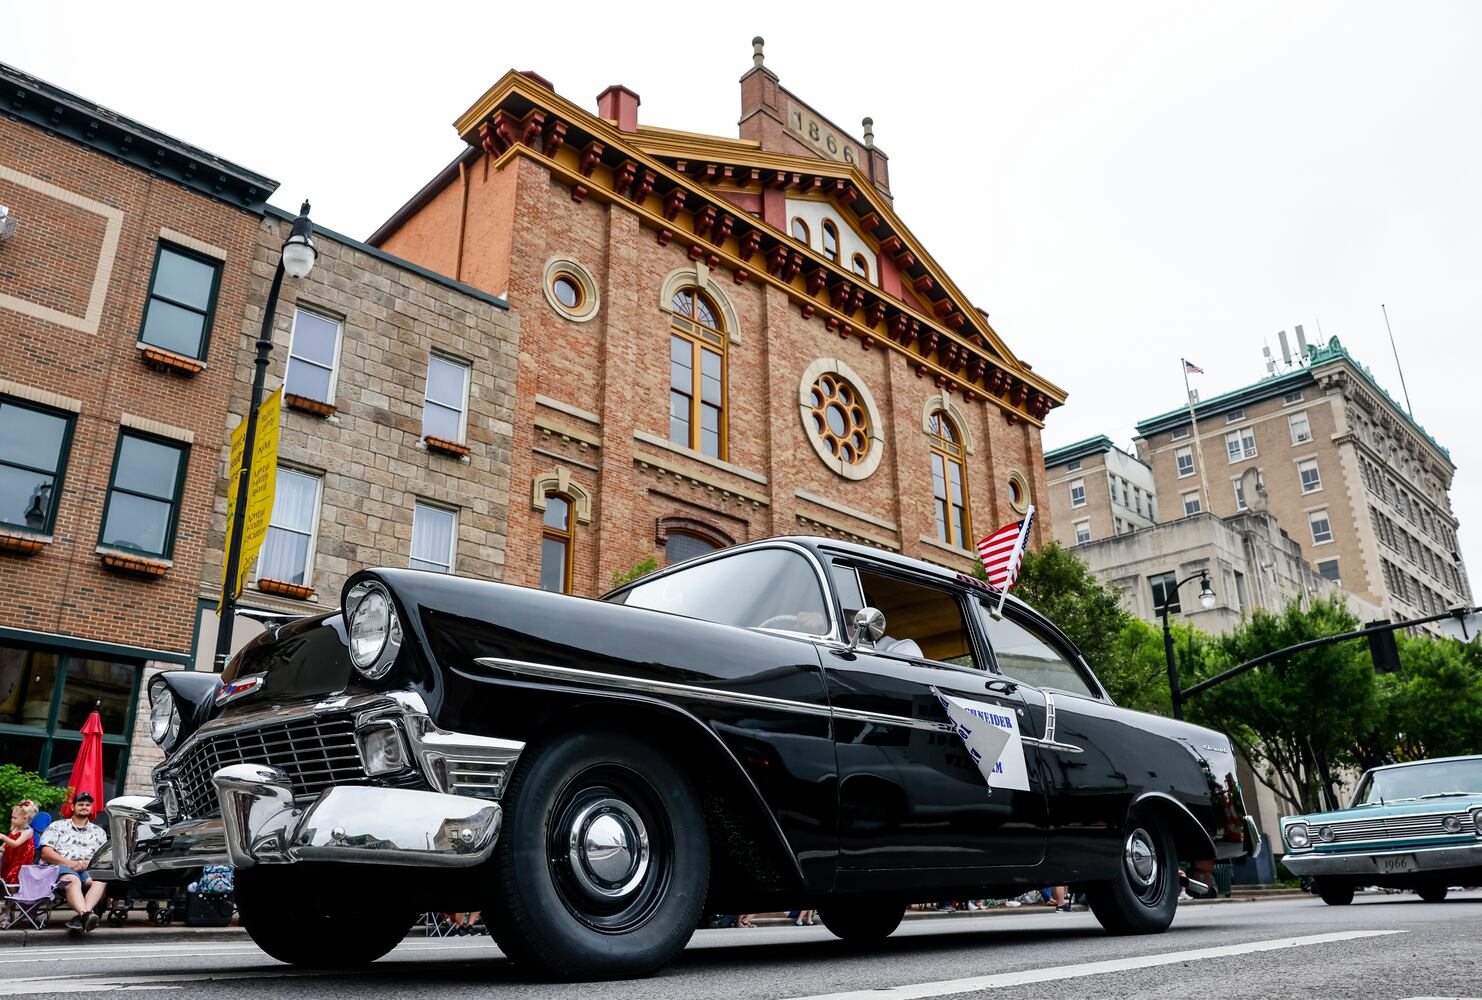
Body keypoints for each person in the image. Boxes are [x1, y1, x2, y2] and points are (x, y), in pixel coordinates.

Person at [39, 792, 108, 933]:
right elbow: (46, 853)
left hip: (88, 869)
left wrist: (89, 863)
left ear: (91, 808)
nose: (84, 807)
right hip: (62, 867)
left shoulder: (99, 832)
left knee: (101, 880)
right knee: (72, 880)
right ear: (72, 807)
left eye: (87, 804)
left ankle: (83, 916)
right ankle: (86, 915)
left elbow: (104, 856)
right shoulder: (57, 826)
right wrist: (70, 863)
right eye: (80, 804)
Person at [2, 800, 38, 884]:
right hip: (10, 857)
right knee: (6, 874)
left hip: (20, 860)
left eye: (15, 818)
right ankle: (6, 889)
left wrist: (3, 837)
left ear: (25, 818)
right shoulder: (15, 827)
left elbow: (16, 844)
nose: (12, 820)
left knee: (14, 877)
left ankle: (14, 890)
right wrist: (2, 846)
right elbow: (9, 838)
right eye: (12, 817)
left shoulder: (27, 831)